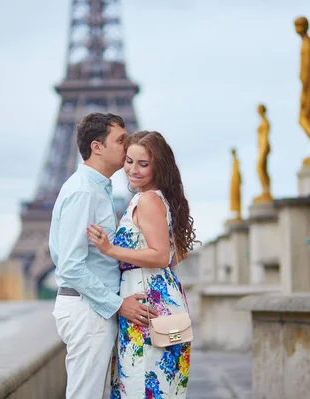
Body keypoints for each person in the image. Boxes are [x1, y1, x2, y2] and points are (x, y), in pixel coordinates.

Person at [49, 113, 159, 399]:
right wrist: (118, 304)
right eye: (121, 140)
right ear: (97, 147)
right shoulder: (85, 192)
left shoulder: (95, 189)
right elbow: (71, 266)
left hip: (92, 307)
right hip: (89, 310)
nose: (128, 145)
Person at [88, 130, 198, 399]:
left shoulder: (148, 200)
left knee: (142, 385)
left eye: (143, 164)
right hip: (159, 301)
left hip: (146, 309)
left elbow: (161, 256)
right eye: (129, 161)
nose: (132, 170)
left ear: (158, 166)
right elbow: (175, 254)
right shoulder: (155, 198)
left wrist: (110, 249)